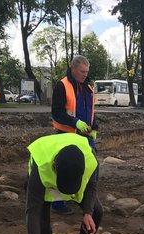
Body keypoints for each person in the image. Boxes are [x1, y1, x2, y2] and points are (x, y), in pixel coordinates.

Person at [26, 133, 102, 234]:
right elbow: (32, 209)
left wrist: (87, 212)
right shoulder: (40, 164)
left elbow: (92, 186)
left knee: (97, 211)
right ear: (54, 166)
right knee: (42, 220)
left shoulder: (90, 159)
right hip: (44, 178)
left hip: (67, 173)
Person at [51, 55, 98, 215]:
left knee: (91, 168)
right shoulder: (62, 86)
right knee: (60, 168)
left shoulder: (88, 88)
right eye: (82, 71)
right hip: (65, 134)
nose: (85, 74)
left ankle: (83, 198)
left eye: (87, 71)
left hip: (85, 136)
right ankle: (57, 203)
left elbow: (91, 112)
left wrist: (94, 128)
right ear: (73, 69)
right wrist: (75, 122)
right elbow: (56, 113)